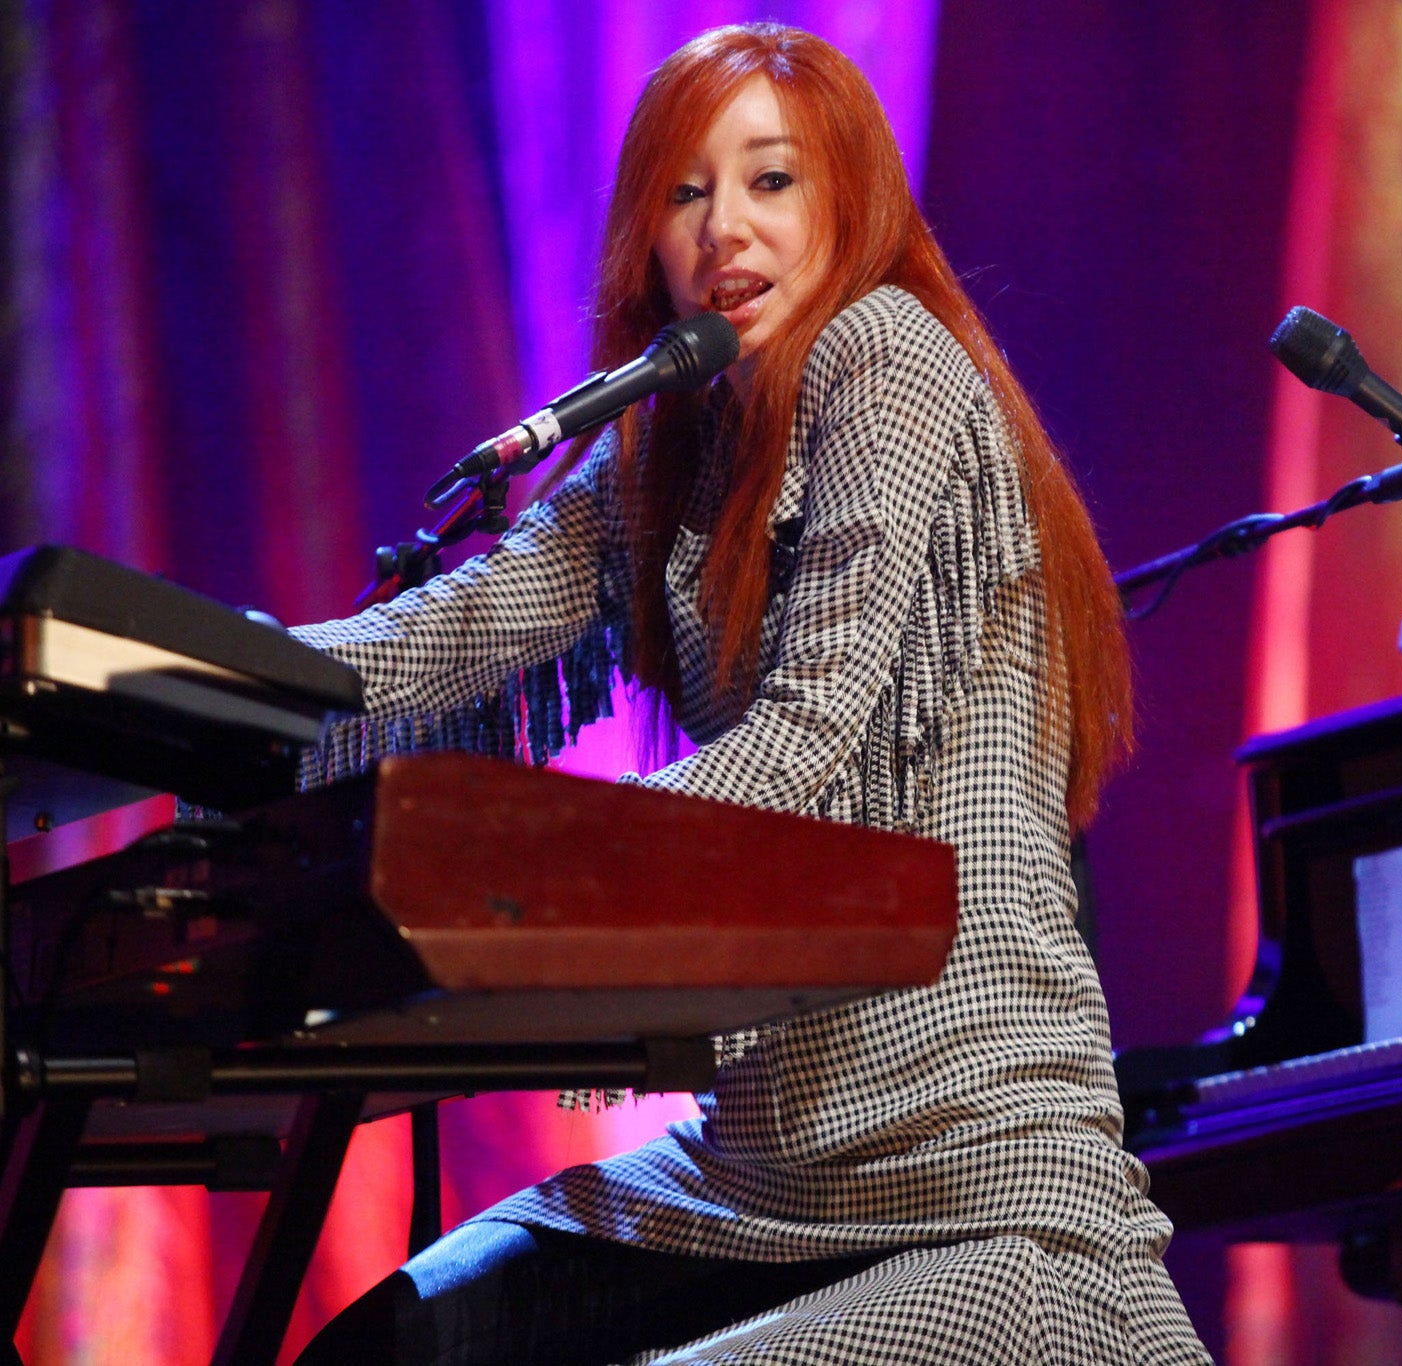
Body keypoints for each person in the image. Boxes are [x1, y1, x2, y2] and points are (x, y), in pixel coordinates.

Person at [293, 22, 1212, 1365]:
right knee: (390, 1348)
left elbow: (804, 741)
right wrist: (168, 675)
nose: (725, 227)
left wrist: (496, 867)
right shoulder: (673, 437)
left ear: (850, 199)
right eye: (684, 191)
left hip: (979, 1183)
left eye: (771, 181)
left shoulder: (885, 350)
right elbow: (453, 629)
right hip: (760, 1170)